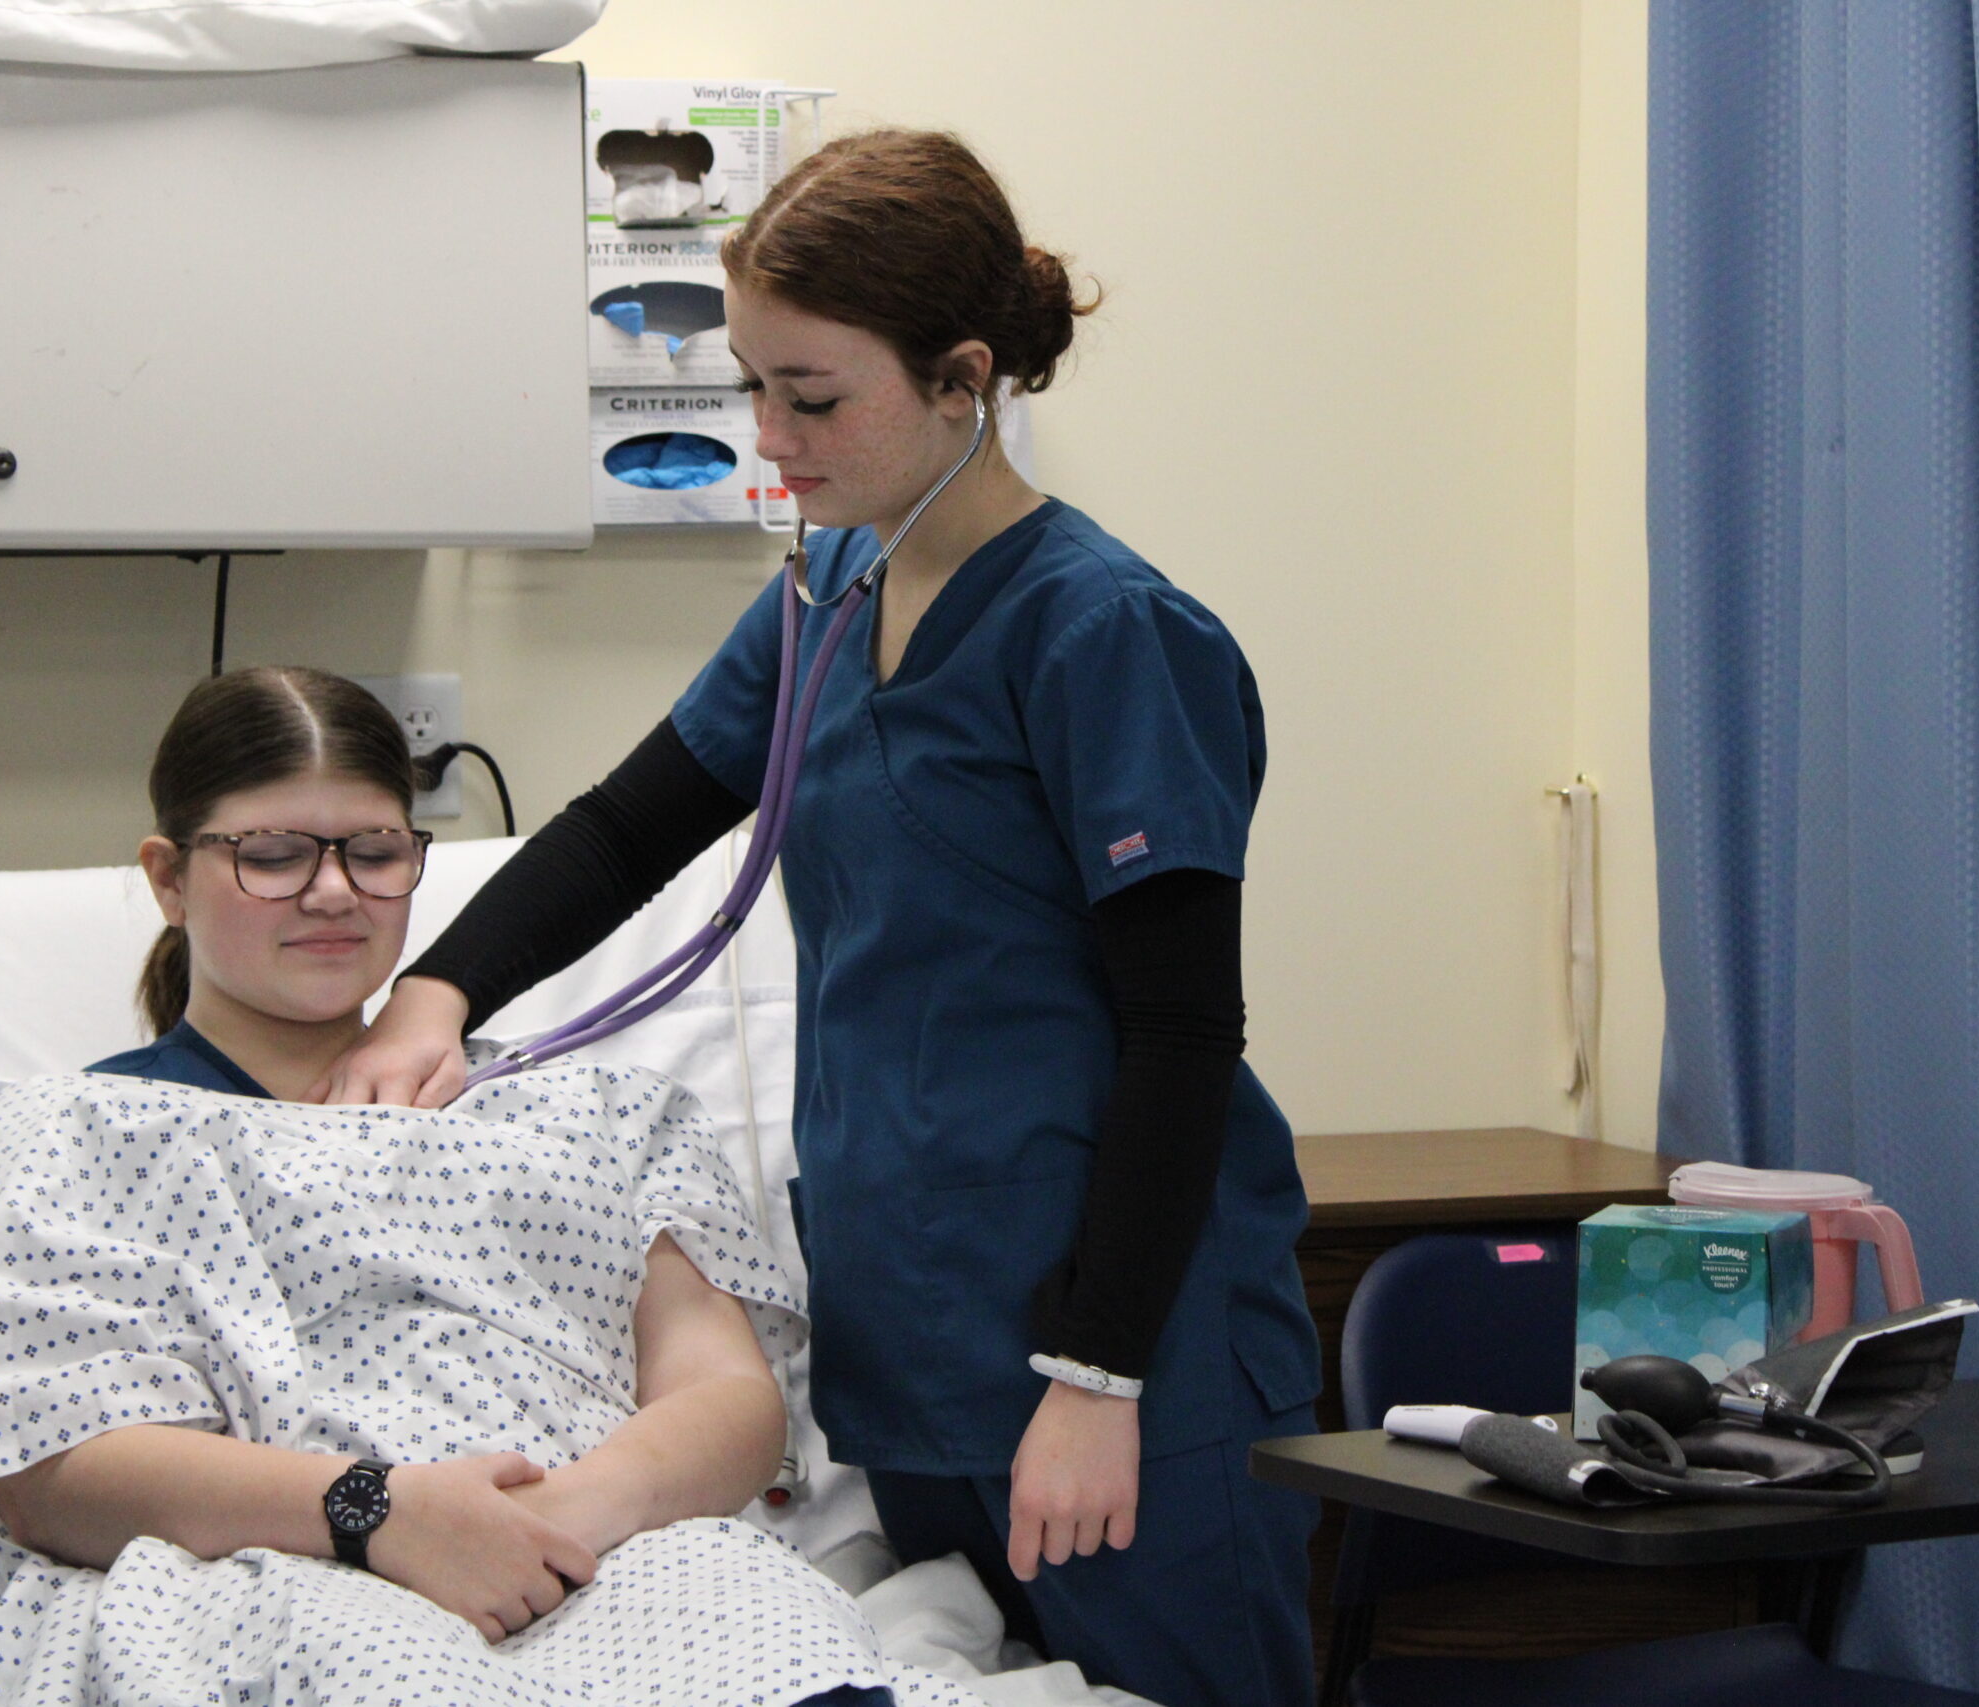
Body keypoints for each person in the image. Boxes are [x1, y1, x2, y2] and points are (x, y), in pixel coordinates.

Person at [321, 132, 1324, 1707]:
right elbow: (631, 822)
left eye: (814, 393)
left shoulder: (1106, 631)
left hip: (1121, 1354)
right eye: (753, 386)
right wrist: (437, 987)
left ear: (962, 376)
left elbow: (1187, 1026)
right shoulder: (828, 592)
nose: (772, 437)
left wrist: (1097, 1373)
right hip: (918, 1337)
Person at [0, 666, 959, 1707]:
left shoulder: (583, 1113)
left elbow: (726, 1398)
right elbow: (42, 1474)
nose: (331, 892)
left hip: (610, 1560)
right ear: (167, 877)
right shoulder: (58, 1140)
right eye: (269, 856)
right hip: (262, 1576)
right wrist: (381, 1514)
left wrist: (549, 1529)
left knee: (764, 1626)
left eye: (374, 851)